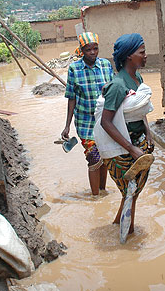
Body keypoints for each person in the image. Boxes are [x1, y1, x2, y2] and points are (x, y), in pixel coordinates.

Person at [100, 33, 154, 236]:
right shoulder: (118, 86)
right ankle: (127, 236)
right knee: (131, 193)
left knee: (130, 193)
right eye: (142, 52)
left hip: (137, 145)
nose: (146, 55)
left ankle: (118, 226)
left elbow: (141, 110)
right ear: (129, 56)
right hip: (123, 150)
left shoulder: (136, 78)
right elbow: (106, 122)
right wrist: (131, 149)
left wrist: (148, 133)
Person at [61, 32, 114, 195]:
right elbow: (71, 98)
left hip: (104, 121)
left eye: (95, 49)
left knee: (104, 158)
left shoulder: (106, 65)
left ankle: (102, 191)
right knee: (94, 158)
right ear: (81, 50)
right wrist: (67, 126)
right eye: (88, 49)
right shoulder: (74, 69)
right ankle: (95, 198)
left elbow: (112, 93)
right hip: (85, 123)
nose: (92, 52)